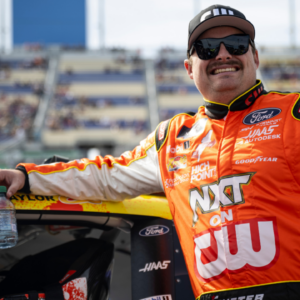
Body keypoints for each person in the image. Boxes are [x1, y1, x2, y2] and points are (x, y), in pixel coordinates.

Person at [1, 4, 300, 300]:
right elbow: (106, 176)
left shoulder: (293, 114)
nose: (223, 54)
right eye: (207, 48)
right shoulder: (171, 138)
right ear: (188, 68)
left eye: (236, 44)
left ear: (255, 56)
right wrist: (28, 177)